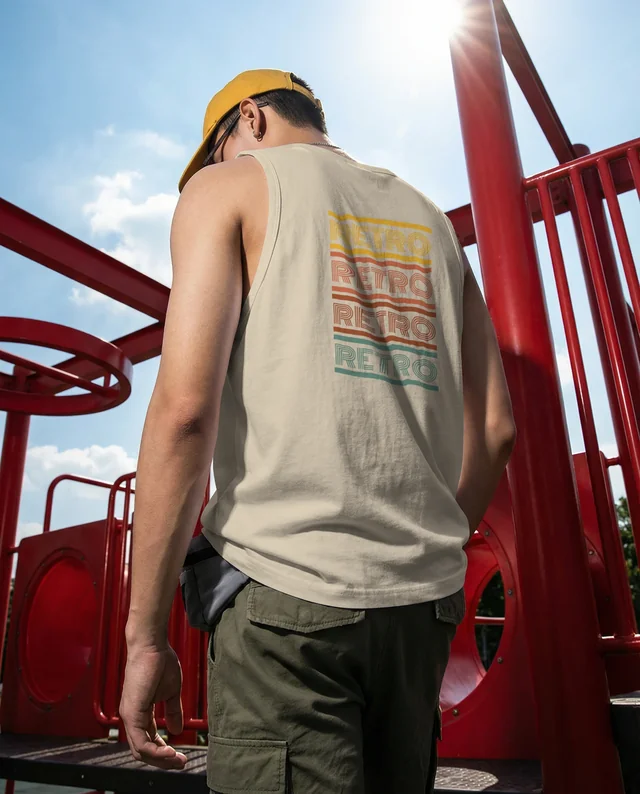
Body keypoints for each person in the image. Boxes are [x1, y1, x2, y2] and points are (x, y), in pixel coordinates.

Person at [120, 68, 516, 794]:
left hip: (287, 600)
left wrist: (144, 636)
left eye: (217, 151)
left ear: (251, 118)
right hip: (421, 610)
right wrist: (422, 547)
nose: (213, 169)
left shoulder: (227, 189)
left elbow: (185, 411)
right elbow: (495, 431)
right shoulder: (431, 219)